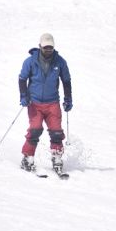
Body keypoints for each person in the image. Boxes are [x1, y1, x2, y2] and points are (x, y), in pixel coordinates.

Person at [18, 33, 73, 174]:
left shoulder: (60, 62)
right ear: (40, 47)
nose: (48, 51)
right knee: (35, 129)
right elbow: (22, 79)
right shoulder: (30, 61)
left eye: (51, 48)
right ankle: (27, 157)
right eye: (45, 48)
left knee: (56, 131)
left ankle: (57, 157)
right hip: (35, 102)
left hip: (52, 102)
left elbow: (66, 81)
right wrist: (24, 95)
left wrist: (68, 99)